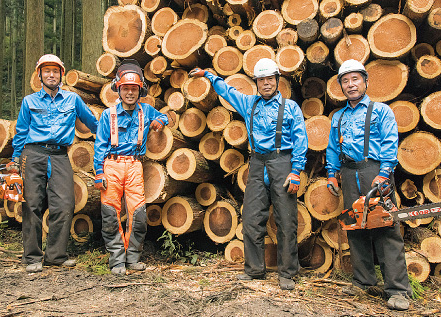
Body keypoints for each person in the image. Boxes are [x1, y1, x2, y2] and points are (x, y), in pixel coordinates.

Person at [190, 58, 308, 290]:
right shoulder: (249, 103)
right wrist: (209, 75)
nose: (266, 83)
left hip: (282, 162)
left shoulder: (290, 107)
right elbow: (228, 91)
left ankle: (287, 273)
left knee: (286, 219)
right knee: (252, 218)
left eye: (270, 79)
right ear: (256, 82)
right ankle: (254, 269)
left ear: (277, 80)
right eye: (261, 79)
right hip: (257, 165)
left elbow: (300, 140)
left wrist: (296, 171)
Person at [326, 59, 412, 311]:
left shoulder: (381, 110)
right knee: (355, 226)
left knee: (386, 228)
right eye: (345, 80)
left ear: (365, 81)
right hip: (349, 171)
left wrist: (385, 172)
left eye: (355, 79)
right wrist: (332, 174)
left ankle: (397, 290)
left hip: (374, 171)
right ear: (341, 86)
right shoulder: (338, 116)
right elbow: (332, 148)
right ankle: (363, 281)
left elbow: (389, 141)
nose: (351, 85)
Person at [7, 54, 99, 273]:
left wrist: (112, 134)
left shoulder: (73, 100)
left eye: (55, 71)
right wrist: (14, 160)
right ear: (39, 75)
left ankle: (56, 256)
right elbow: (21, 132)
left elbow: (93, 123)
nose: (51, 75)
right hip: (33, 153)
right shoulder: (29, 101)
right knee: (32, 204)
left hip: (59, 155)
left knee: (65, 203)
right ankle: (32, 257)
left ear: (61, 75)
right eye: (46, 71)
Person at [93, 59, 168, 275]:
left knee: (138, 213)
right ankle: (116, 259)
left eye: (133, 89)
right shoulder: (109, 114)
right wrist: (98, 172)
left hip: (135, 165)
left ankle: (132, 257)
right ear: (119, 89)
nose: (130, 93)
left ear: (140, 90)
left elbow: (165, 117)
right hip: (112, 165)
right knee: (110, 213)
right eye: (125, 88)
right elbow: (99, 145)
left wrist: (160, 123)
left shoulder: (147, 110)